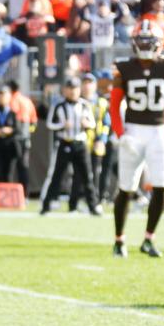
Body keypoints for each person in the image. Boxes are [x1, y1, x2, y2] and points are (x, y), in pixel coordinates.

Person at [110, 20, 164, 257]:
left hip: (159, 131)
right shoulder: (124, 67)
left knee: (162, 186)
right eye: (142, 41)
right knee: (126, 188)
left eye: (150, 41)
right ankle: (119, 240)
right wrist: (120, 132)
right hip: (134, 130)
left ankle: (149, 238)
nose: (145, 45)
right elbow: (114, 104)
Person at [40, 77, 103, 216]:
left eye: (75, 88)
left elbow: (93, 123)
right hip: (65, 142)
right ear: (65, 90)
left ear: (79, 90)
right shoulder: (59, 106)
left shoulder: (85, 105)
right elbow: (50, 124)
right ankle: (47, 205)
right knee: (57, 175)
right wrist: (62, 125)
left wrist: (87, 124)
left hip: (80, 143)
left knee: (87, 176)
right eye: (70, 88)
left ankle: (93, 206)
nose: (73, 91)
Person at [74, 73, 110, 211]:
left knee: (94, 173)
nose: (87, 86)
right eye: (85, 82)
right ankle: (77, 201)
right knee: (78, 173)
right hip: (80, 142)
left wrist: (102, 139)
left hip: (96, 143)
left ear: (95, 85)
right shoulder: (77, 101)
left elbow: (106, 123)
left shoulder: (101, 102)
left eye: (90, 82)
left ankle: (94, 201)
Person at [94, 69, 119, 205]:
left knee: (108, 168)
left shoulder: (114, 96)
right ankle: (99, 195)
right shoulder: (98, 97)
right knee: (100, 168)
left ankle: (102, 195)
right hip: (99, 137)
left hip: (112, 137)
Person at [8, 80, 37, 194]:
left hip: (14, 136)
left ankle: (9, 193)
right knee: (23, 165)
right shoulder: (27, 101)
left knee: (9, 165)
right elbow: (34, 121)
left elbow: (12, 118)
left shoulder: (13, 100)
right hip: (25, 136)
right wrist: (28, 132)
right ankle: (25, 193)